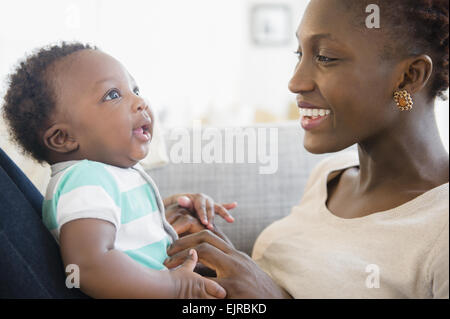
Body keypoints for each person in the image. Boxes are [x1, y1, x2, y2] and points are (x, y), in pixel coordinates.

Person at [164, 0, 449, 298]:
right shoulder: (329, 177)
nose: (295, 82)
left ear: (410, 76)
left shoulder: (440, 226)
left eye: (325, 57)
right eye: (300, 54)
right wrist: (218, 258)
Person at [1, 43, 237, 298]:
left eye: (135, 90)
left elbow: (130, 241)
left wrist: (164, 216)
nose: (140, 102)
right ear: (63, 138)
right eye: (113, 95)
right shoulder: (85, 178)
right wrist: (177, 286)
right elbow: (88, 266)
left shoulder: (109, 176)